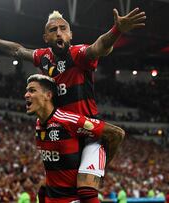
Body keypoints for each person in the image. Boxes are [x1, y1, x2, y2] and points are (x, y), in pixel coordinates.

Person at [0, 7, 145, 201]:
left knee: (86, 190)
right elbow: (17, 50)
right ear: (45, 37)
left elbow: (99, 47)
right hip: (61, 130)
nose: (59, 32)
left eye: (63, 28)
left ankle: (96, 173)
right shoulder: (44, 57)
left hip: (87, 132)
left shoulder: (77, 54)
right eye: (53, 30)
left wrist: (117, 30)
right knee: (46, 189)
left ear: (71, 34)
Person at [24, 74, 124, 203]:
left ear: (48, 96)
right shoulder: (38, 125)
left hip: (73, 199)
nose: (26, 95)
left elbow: (117, 134)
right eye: (27, 91)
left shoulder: (68, 121)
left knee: (87, 192)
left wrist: (101, 168)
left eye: (32, 90)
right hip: (51, 198)